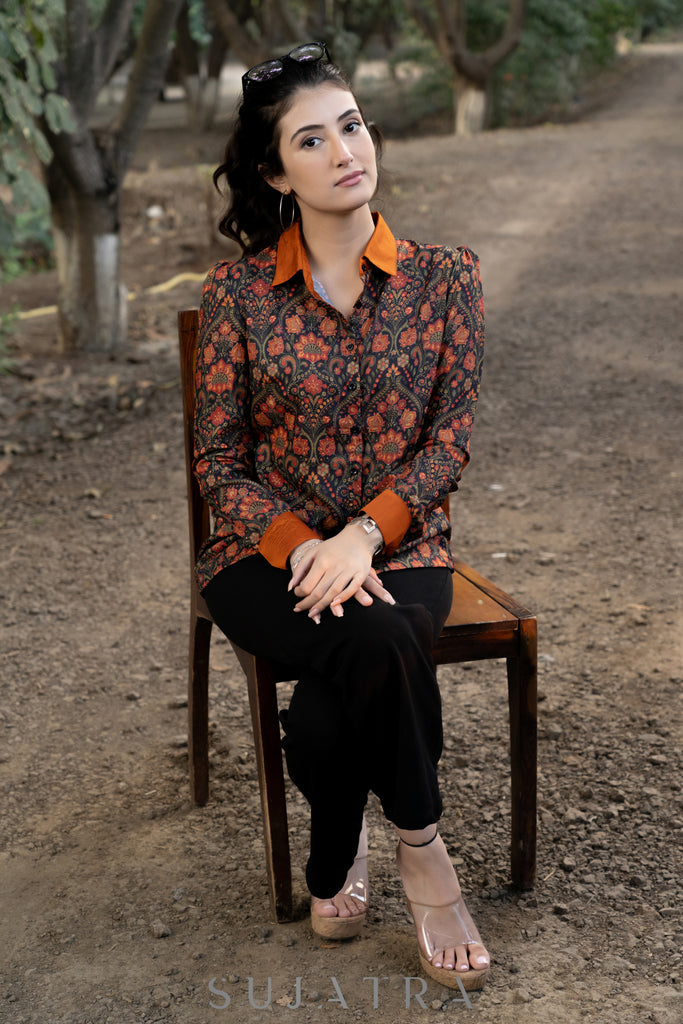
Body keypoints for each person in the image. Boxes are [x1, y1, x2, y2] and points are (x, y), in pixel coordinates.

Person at [193, 42, 489, 991]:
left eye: (351, 126)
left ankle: (340, 854)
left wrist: (362, 535)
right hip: (260, 557)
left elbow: (446, 446)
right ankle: (424, 851)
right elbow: (220, 466)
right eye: (310, 141)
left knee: (364, 650)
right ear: (277, 173)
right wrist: (306, 546)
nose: (343, 151)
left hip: (402, 550)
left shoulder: (447, 279)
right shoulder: (236, 298)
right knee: (380, 643)